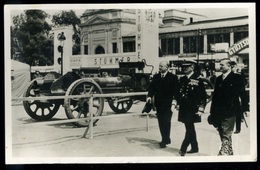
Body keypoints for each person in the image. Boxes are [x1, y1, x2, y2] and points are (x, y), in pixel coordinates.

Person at [209, 58, 248, 156]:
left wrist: (246, 108)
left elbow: (243, 94)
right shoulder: (218, 79)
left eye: (222, 65)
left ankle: (223, 155)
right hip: (218, 111)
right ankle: (229, 153)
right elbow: (215, 97)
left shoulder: (237, 78)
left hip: (231, 110)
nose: (220, 67)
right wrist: (212, 112)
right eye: (220, 65)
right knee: (223, 134)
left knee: (226, 133)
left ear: (229, 66)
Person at [176, 60, 207, 156]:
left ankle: (183, 148)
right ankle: (195, 147)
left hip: (193, 108)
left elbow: (203, 96)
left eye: (187, 67)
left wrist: (201, 108)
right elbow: (180, 93)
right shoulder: (183, 79)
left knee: (189, 129)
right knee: (190, 127)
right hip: (184, 108)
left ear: (192, 67)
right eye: (183, 67)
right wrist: (177, 103)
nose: (184, 69)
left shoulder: (198, 79)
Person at [146, 61, 178, 148]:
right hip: (159, 104)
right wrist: (149, 96)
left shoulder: (173, 77)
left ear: (167, 67)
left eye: (161, 66)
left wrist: (174, 102)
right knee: (161, 122)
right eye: (159, 66)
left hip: (168, 104)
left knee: (166, 121)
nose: (159, 68)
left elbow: (176, 91)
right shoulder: (156, 77)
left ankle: (165, 139)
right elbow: (151, 88)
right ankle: (165, 138)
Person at [230, 61, 249, 134]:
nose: (233, 68)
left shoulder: (239, 76)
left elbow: (242, 90)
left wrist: (245, 107)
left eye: (233, 67)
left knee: (238, 113)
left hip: (235, 97)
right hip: (228, 98)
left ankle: (238, 128)